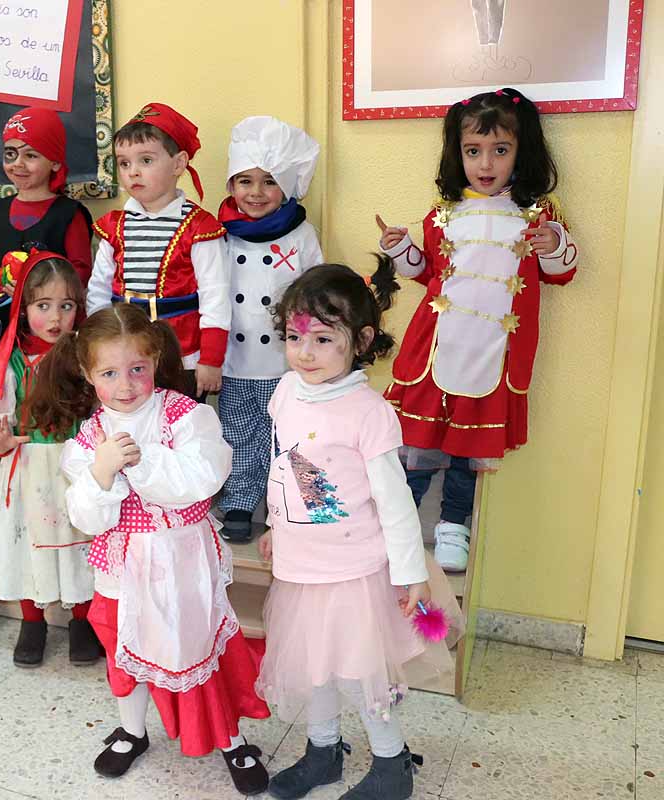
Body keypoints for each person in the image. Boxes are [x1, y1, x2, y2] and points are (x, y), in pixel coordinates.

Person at [37, 304, 271, 796]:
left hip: (182, 559)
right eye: (109, 373)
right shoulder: (88, 439)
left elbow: (205, 477)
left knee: (198, 643)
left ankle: (229, 736)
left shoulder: (189, 415)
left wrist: (142, 465)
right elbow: (87, 515)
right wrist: (102, 472)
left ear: (155, 359)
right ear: (87, 373)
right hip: (122, 566)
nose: (125, 385)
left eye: (137, 369)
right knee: (123, 648)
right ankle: (133, 730)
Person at [256, 261, 461, 800]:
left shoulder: (368, 411)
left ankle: (392, 764)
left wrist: (410, 572)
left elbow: (393, 502)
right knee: (314, 669)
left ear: (361, 340)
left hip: (354, 573)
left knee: (360, 673)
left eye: (323, 338)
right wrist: (277, 525)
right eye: (295, 337)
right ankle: (323, 751)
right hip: (301, 567)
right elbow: (284, 466)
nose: (305, 352)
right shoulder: (284, 392)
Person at [375, 87, 578, 571]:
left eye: (500, 150)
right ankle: (396, 525)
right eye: (473, 151)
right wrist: (400, 248)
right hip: (436, 346)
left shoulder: (538, 216)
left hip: (495, 353)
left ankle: (453, 527)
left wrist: (553, 244)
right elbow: (426, 272)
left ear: (520, 152)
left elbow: (562, 272)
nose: (485, 163)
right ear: (458, 154)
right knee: (418, 442)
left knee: (469, 449)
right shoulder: (444, 214)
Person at [0, 250, 100, 667]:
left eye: (66, 305)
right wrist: (1, 442)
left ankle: (82, 620)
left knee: (81, 543)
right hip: (27, 468)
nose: (56, 317)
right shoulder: (11, 360)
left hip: (77, 468)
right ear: (24, 309)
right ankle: (33, 621)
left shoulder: (89, 357)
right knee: (28, 545)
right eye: (43, 306)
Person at [216, 116, 323, 542]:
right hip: (234, 360)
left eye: (268, 181)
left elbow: (315, 292)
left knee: (292, 434)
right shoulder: (217, 234)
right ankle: (240, 501)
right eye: (245, 181)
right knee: (238, 434)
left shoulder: (301, 234)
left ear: (287, 187)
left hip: (285, 362)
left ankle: (297, 504)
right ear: (231, 186)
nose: (255, 193)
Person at [86, 103, 230, 399]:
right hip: (123, 355)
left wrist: (211, 359)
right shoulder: (113, 227)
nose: (133, 172)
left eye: (146, 160)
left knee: (179, 426)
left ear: (178, 164)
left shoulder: (199, 227)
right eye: (124, 164)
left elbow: (216, 296)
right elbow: (98, 290)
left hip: (181, 353)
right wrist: (95, 346)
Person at [0, 107, 93, 359]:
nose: (18, 164)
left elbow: (80, 271)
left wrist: (34, 290)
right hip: (4, 322)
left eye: (30, 155)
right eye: (11, 154)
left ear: (54, 162)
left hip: (49, 327)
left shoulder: (68, 213)